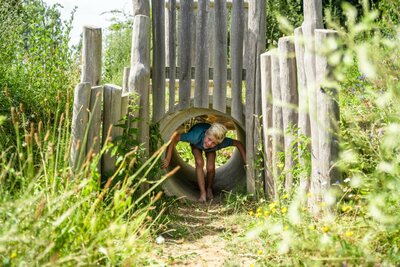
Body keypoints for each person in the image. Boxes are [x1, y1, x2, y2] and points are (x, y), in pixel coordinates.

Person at [162, 122, 246, 202]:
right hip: (196, 143)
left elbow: (238, 144)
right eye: (209, 139)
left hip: (211, 149)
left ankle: (209, 188)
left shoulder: (220, 142)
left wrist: (246, 162)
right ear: (206, 133)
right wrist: (168, 159)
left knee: (210, 167)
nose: (209, 143)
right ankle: (202, 193)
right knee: (199, 162)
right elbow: (174, 137)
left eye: (214, 143)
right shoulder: (194, 137)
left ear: (219, 143)